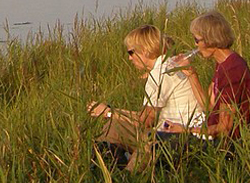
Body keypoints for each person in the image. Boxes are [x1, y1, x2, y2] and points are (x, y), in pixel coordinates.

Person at [88, 25, 206, 170]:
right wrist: (112, 112)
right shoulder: (168, 65)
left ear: (145, 51)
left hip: (178, 135)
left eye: (131, 52)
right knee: (114, 125)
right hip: (182, 130)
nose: (129, 58)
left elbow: (145, 122)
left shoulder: (159, 74)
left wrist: (108, 113)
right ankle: (113, 173)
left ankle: (124, 179)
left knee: (120, 130)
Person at [183, 11, 250, 141]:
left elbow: (224, 128)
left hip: (226, 143)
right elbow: (209, 107)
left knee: (152, 142)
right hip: (210, 134)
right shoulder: (221, 64)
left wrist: (185, 130)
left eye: (197, 40)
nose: (195, 45)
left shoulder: (232, 69)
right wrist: (191, 75)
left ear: (209, 40)